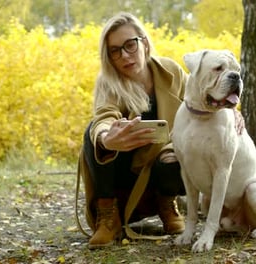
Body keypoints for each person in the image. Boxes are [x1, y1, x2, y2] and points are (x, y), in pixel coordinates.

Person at [77, 11, 188, 249]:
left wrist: (230, 112)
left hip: (162, 172)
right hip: (123, 180)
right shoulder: (108, 82)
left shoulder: (171, 71)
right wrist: (107, 138)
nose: (124, 55)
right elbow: (103, 117)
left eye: (130, 45)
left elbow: (200, 102)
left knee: (176, 153)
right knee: (92, 133)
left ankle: (167, 205)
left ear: (144, 43)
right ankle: (108, 215)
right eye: (115, 51)